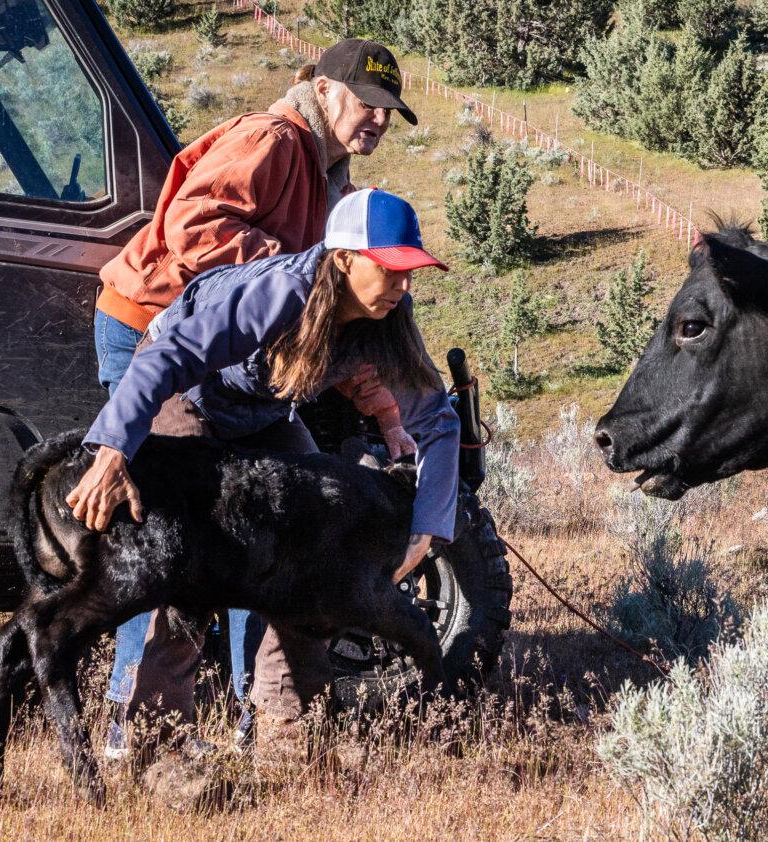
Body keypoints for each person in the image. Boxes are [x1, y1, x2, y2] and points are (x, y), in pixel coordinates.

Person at [92, 38, 419, 755]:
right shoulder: (272, 140)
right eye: (369, 104)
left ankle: (267, 722)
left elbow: (335, 321)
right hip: (156, 335)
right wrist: (293, 277)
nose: (379, 122)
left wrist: (383, 408)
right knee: (168, 536)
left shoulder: (332, 180)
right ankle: (133, 724)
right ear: (327, 90)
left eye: (391, 113)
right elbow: (192, 229)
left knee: (286, 524)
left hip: (238, 370)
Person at [69, 189, 459, 759]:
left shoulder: (388, 316)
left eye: (410, 272)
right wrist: (113, 449)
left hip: (261, 414)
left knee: (314, 539)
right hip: (188, 394)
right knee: (190, 562)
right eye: (392, 270)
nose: (403, 286)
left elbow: (439, 421)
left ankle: (288, 730)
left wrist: (428, 527)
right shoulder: (280, 293)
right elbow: (165, 358)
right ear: (345, 259)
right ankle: (155, 738)